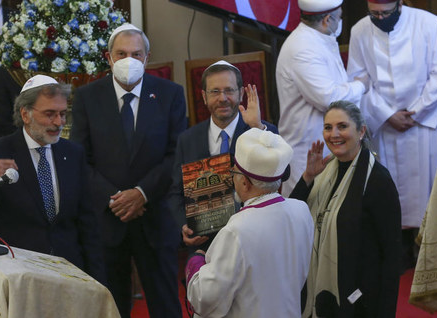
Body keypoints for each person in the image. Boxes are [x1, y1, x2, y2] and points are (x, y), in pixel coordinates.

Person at [70, 24, 186, 318]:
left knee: (165, 304)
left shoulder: (170, 94)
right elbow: (79, 157)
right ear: (108, 58)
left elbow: (176, 154)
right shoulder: (87, 97)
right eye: (121, 54)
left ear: (147, 58)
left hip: (155, 217)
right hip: (107, 219)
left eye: (136, 54)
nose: (129, 60)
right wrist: (116, 198)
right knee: (111, 306)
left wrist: (142, 194)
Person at [0, 75, 105, 282]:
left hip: (69, 273)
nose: (59, 122)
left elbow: (88, 224)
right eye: (50, 114)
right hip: (18, 275)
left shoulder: (73, 153)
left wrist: (98, 281)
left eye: (63, 114)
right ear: (25, 114)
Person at [347, 0, 437, 231]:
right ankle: (395, 244)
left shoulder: (428, 24)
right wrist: (387, 114)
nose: (380, 19)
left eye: (385, 13)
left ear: (399, 6)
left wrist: (415, 113)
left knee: (425, 191)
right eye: (374, 14)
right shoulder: (360, 30)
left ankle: (424, 242)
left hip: (422, 122)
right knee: (389, 188)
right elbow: (358, 80)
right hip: (385, 123)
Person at [185, 128, 313, 317]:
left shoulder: (237, 230)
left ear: (245, 182)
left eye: (233, 172)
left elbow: (205, 298)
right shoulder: (301, 210)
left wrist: (195, 261)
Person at [291, 100, 402, 318]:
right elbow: (293, 215)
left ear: (361, 131)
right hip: (317, 289)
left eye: (342, 126)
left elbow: (391, 253)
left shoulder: (378, 180)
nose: (334, 134)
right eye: (328, 127)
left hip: (359, 297)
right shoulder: (323, 171)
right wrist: (308, 177)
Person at [171, 60, 278, 248]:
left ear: (241, 93)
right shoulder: (187, 139)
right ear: (204, 96)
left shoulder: (263, 131)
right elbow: (175, 193)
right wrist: (184, 225)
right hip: (205, 245)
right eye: (215, 91)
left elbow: (281, 174)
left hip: (253, 241)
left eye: (229, 90)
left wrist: (257, 128)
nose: (222, 98)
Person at [276, 0, 367, 195]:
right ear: (327, 20)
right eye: (339, 17)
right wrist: (360, 85)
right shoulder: (302, 47)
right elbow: (329, 98)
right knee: (305, 213)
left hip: (328, 142)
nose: (340, 22)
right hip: (307, 148)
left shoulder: (319, 39)